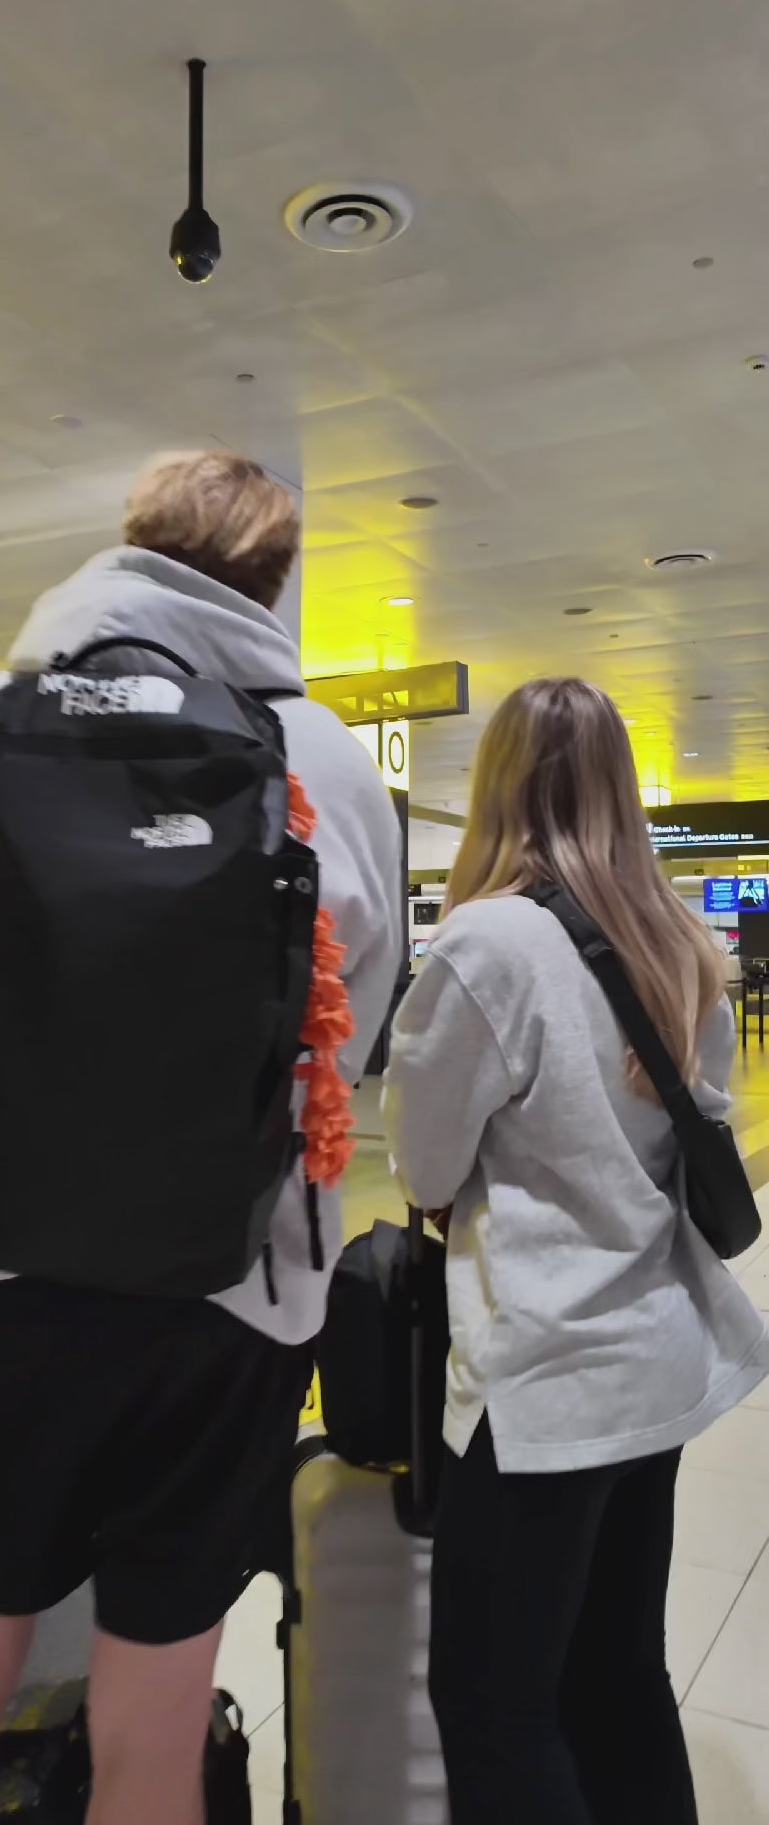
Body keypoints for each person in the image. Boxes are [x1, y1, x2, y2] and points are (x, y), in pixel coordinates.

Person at [0, 450, 404, 1825]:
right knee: (154, 1708)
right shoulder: (326, 755)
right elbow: (357, 1015)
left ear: (130, 544)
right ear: (279, 585)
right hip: (232, 1288)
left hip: (1, 1271)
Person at [383, 678, 769, 1825]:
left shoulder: (487, 944)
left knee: (497, 1709)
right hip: (659, 1359)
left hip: (543, 1385)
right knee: (620, 1677)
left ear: (503, 782)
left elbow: (425, 1168)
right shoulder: (683, 939)